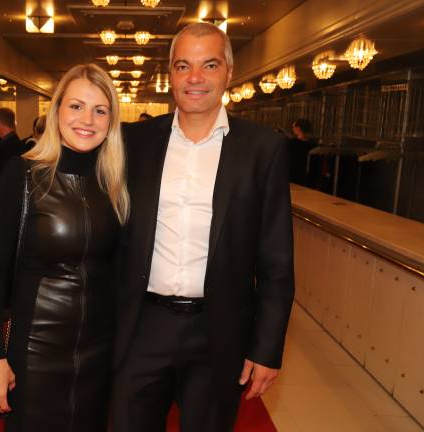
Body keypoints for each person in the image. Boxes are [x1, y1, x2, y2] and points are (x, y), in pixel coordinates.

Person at [112, 22, 294, 432]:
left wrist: (267, 348)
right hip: (142, 326)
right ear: (170, 75)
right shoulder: (133, 142)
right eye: (183, 66)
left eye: (209, 65)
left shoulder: (262, 149)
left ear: (228, 72)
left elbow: (276, 259)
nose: (195, 78)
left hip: (218, 332)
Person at [0, 64, 128, 431]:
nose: (87, 120)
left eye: (100, 110)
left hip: (99, 353)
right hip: (35, 351)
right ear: (57, 110)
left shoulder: (115, 182)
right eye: (76, 106)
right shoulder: (23, 174)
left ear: (111, 121)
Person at [287, 118, 316, 186]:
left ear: (298, 128)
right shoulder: (313, 144)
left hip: (293, 176)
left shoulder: (292, 143)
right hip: (308, 177)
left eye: (293, 127)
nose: (292, 129)